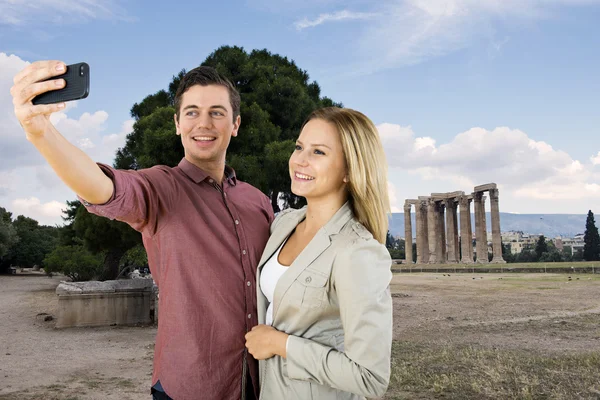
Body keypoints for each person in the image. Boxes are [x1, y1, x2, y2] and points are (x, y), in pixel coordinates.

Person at [11, 61, 274, 400]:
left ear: (235, 124)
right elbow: (103, 188)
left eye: (217, 113)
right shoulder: (159, 188)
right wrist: (40, 132)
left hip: (263, 382)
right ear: (177, 124)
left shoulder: (258, 201)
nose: (204, 123)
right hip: (189, 385)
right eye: (192, 112)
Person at [244, 107, 393, 399]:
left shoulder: (358, 251)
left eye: (318, 153)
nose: (300, 160)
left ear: (350, 170)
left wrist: (281, 345)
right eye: (299, 147)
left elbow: (371, 377)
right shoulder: (284, 223)